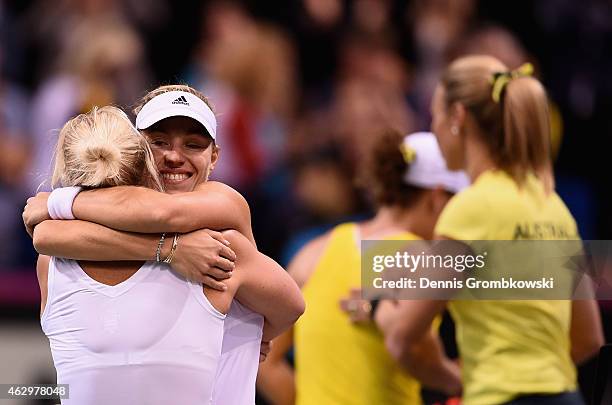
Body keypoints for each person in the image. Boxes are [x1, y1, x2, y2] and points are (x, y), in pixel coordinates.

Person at [24, 86, 305, 404]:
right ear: (136, 149)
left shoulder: (223, 208)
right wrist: (171, 250)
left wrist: (57, 201)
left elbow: (163, 213)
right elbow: (46, 237)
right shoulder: (60, 247)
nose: (174, 156)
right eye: (158, 142)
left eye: (193, 145)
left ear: (214, 157)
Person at [372, 55, 604, 405]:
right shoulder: (552, 204)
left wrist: (381, 305)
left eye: (435, 115)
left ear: (457, 119)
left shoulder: (469, 208)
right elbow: (588, 339)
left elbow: (404, 334)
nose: (433, 127)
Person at [257, 130, 467, 405]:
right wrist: (459, 380)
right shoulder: (423, 258)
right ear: (438, 197)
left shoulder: (312, 253)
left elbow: (264, 359)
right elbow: (417, 351)